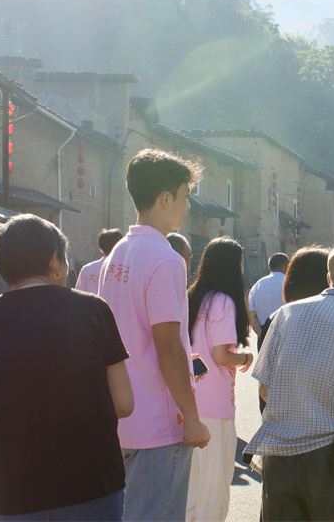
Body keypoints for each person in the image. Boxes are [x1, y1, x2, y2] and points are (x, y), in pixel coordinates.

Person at [0, 214, 134, 521]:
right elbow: (123, 403)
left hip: (11, 493)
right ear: (55, 261)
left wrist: (14, 419)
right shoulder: (95, 310)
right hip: (93, 483)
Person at [98, 148, 210, 522]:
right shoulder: (166, 259)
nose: (188, 205)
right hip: (160, 424)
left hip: (121, 416)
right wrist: (190, 415)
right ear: (166, 198)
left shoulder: (117, 253)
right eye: (185, 195)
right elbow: (168, 344)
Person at [245, 243, 334, 521]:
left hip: (279, 454)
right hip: (333, 458)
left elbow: (264, 388)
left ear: (328, 278)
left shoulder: (285, 314)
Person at [185, 237, 255, 522]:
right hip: (216, 406)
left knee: (191, 488)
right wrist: (246, 358)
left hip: (188, 401)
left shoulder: (192, 296)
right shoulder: (224, 302)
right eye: (240, 262)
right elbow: (221, 355)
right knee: (214, 488)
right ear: (232, 266)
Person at [257, 245, 329, 413]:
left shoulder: (276, 318)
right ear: (327, 279)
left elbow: (264, 387)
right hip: (327, 424)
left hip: (281, 421)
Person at [248, 253, 289, 336]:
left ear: (270, 269)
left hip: (264, 332)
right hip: (286, 332)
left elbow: (252, 316)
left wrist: (262, 336)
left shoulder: (257, 285)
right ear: (286, 266)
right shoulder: (290, 283)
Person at [76, 228, 124, 295]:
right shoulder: (124, 270)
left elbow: (78, 295)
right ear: (120, 247)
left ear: (101, 249)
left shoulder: (87, 269)